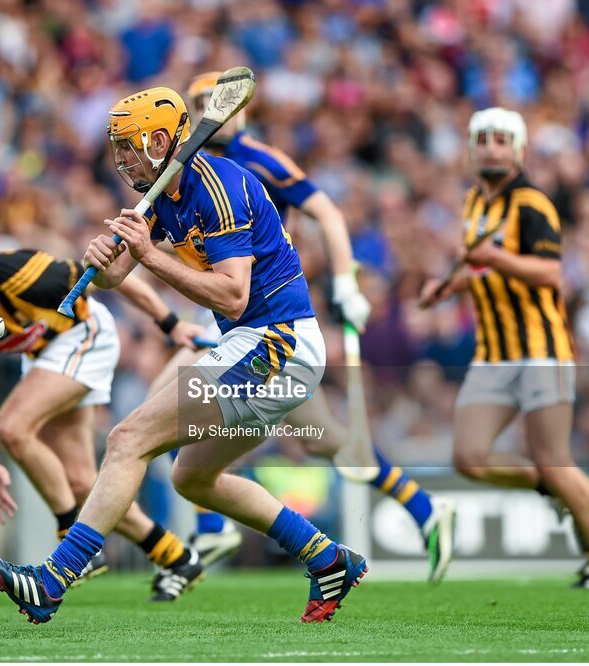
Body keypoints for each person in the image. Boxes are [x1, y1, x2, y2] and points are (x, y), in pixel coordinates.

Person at [0, 87, 367, 624]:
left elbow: (233, 295)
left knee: (128, 439)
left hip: (278, 345)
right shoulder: (162, 194)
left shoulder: (222, 187)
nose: (121, 159)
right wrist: (103, 258)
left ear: (161, 140)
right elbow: (117, 276)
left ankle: (52, 580)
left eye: (129, 146)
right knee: (191, 479)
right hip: (251, 345)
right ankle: (328, 558)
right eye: (116, 148)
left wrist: (149, 253)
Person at [144, 72, 455, 585]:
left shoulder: (259, 159)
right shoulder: (180, 174)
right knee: (321, 438)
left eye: (221, 101)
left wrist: (346, 280)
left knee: (172, 408)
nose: (215, 110)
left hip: (264, 315)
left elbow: (327, 213)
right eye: (202, 103)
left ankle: (212, 522)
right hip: (223, 313)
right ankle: (421, 509)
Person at [0, 216, 209, 601]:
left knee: (12, 426)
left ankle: (68, 538)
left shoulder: (15, 272)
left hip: (84, 334)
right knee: (82, 483)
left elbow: (106, 276)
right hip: (44, 356)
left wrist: (170, 323)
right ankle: (177, 557)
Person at [418, 107, 589, 591]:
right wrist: (447, 287)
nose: (492, 146)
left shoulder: (533, 203)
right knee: (469, 457)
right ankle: (551, 486)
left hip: (541, 351)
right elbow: (479, 272)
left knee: (555, 457)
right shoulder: (473, 201)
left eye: (501, 139)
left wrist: (493, 256)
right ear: (472, 149)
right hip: (493, 353)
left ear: (520, 151)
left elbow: (551, 275)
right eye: (483, 139)